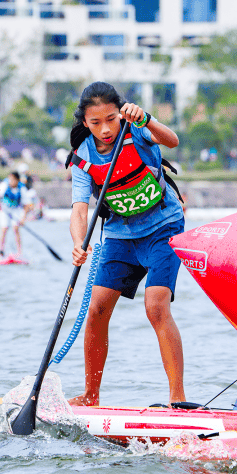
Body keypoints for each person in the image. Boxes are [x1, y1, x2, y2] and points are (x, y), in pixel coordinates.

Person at [66, 81, 185, 407]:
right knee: (97, 310)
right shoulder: (82, 157)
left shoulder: (137, 130)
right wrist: (78, 243)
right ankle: (91, 396)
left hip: (164, 228)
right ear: (84, 122)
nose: (105, 129)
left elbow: (172, 141)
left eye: (110, 119)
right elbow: (79, 209)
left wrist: (146, 118)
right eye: (95, 122)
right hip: (120, 236)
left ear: (120, 113)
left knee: (156, 306)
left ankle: (178, 400)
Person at [0, 171, 34, 257]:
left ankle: (19, 252)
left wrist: (23, 219)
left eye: (13, 179)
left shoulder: (22, 188)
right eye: (10, 179)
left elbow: (26, 205)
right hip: (4, 210)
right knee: (4, 229)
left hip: (16, 210)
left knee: (16, 229)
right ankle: (1, 251)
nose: (11, 181)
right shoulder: (5, 185)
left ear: (17, 180)